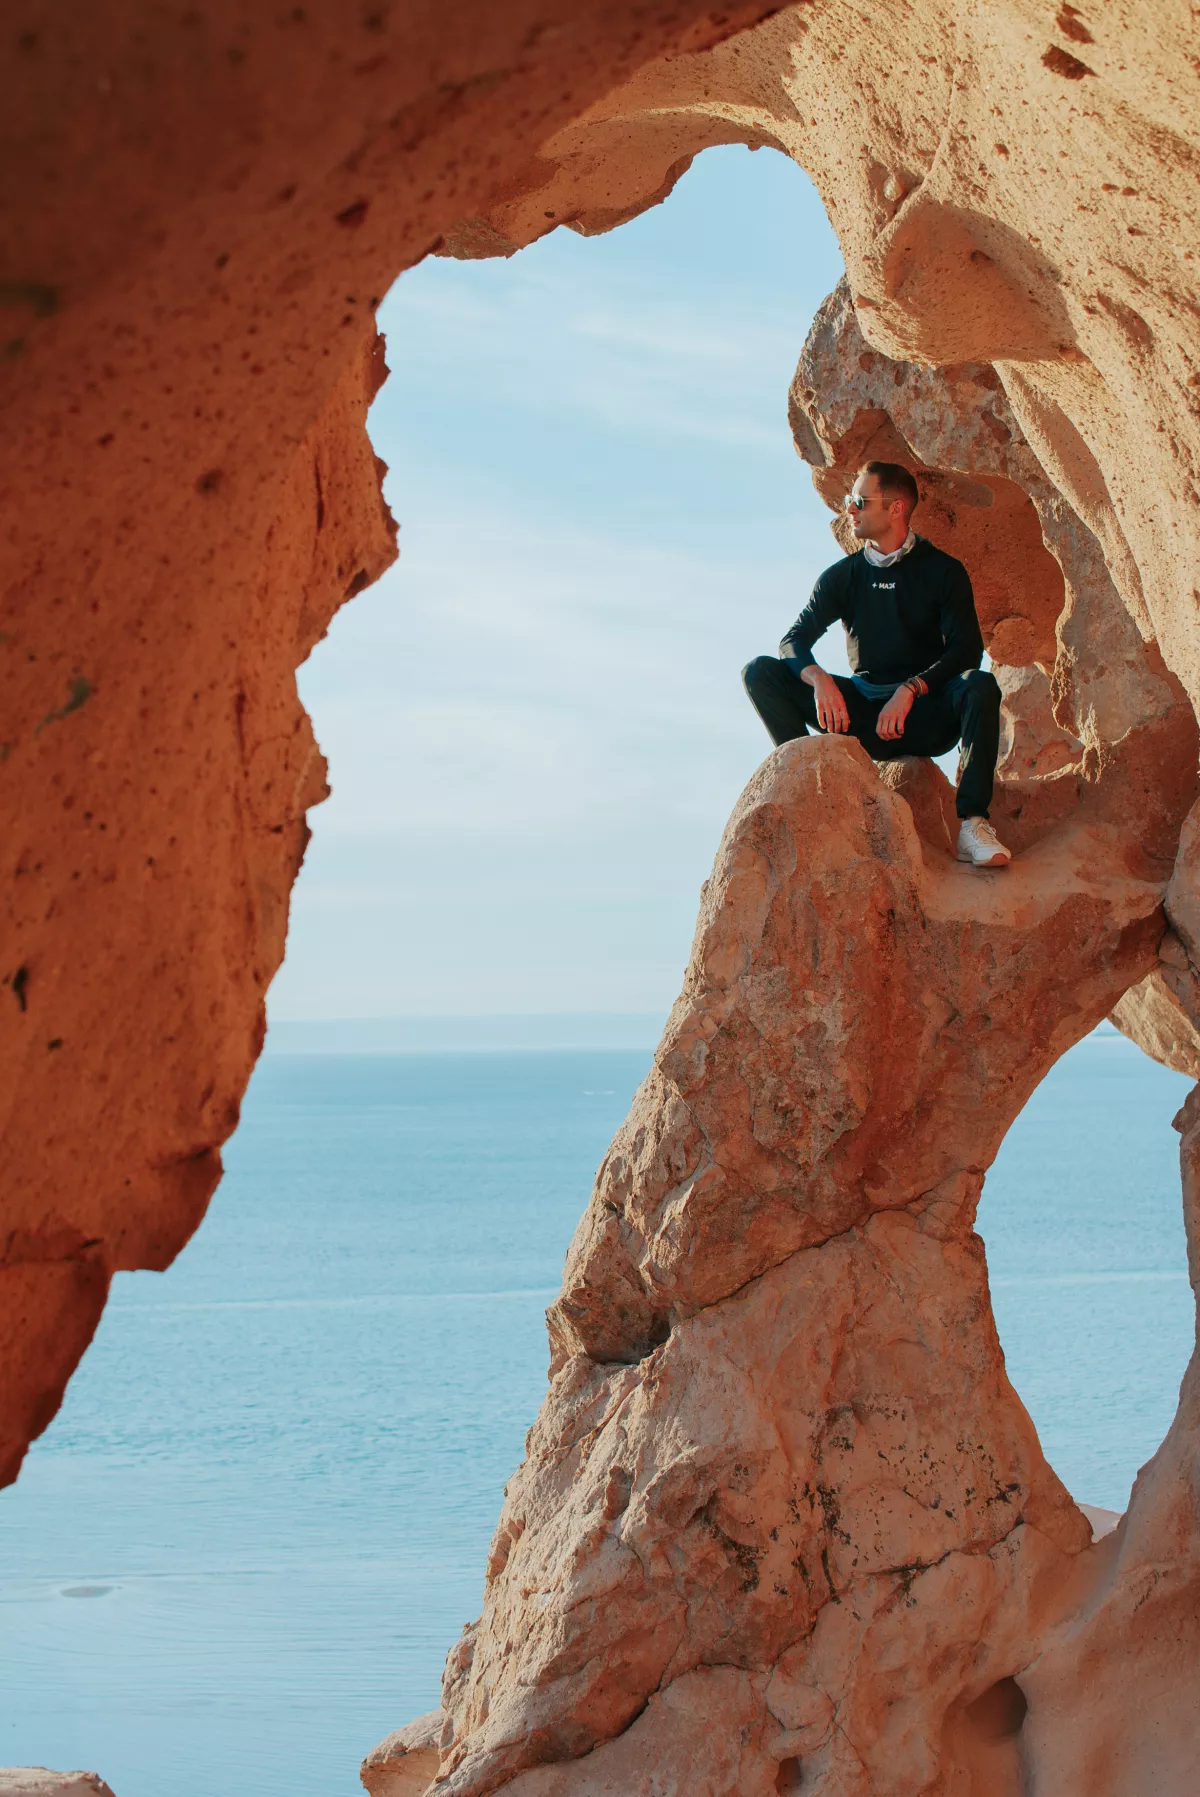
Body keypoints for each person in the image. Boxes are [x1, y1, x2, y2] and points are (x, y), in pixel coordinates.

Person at [742, 460, 1010, 868]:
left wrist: (912, 688)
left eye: (860, 501)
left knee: (979, 684)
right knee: (759, 672)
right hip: (862, 715)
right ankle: (819, 796)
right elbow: (793, 641)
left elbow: (965, 651)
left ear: (896, 508)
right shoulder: (843, 577)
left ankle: (973, 825)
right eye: (851, 501)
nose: (850, 509)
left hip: (924, 716)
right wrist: (819, 681)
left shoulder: (943, 572)